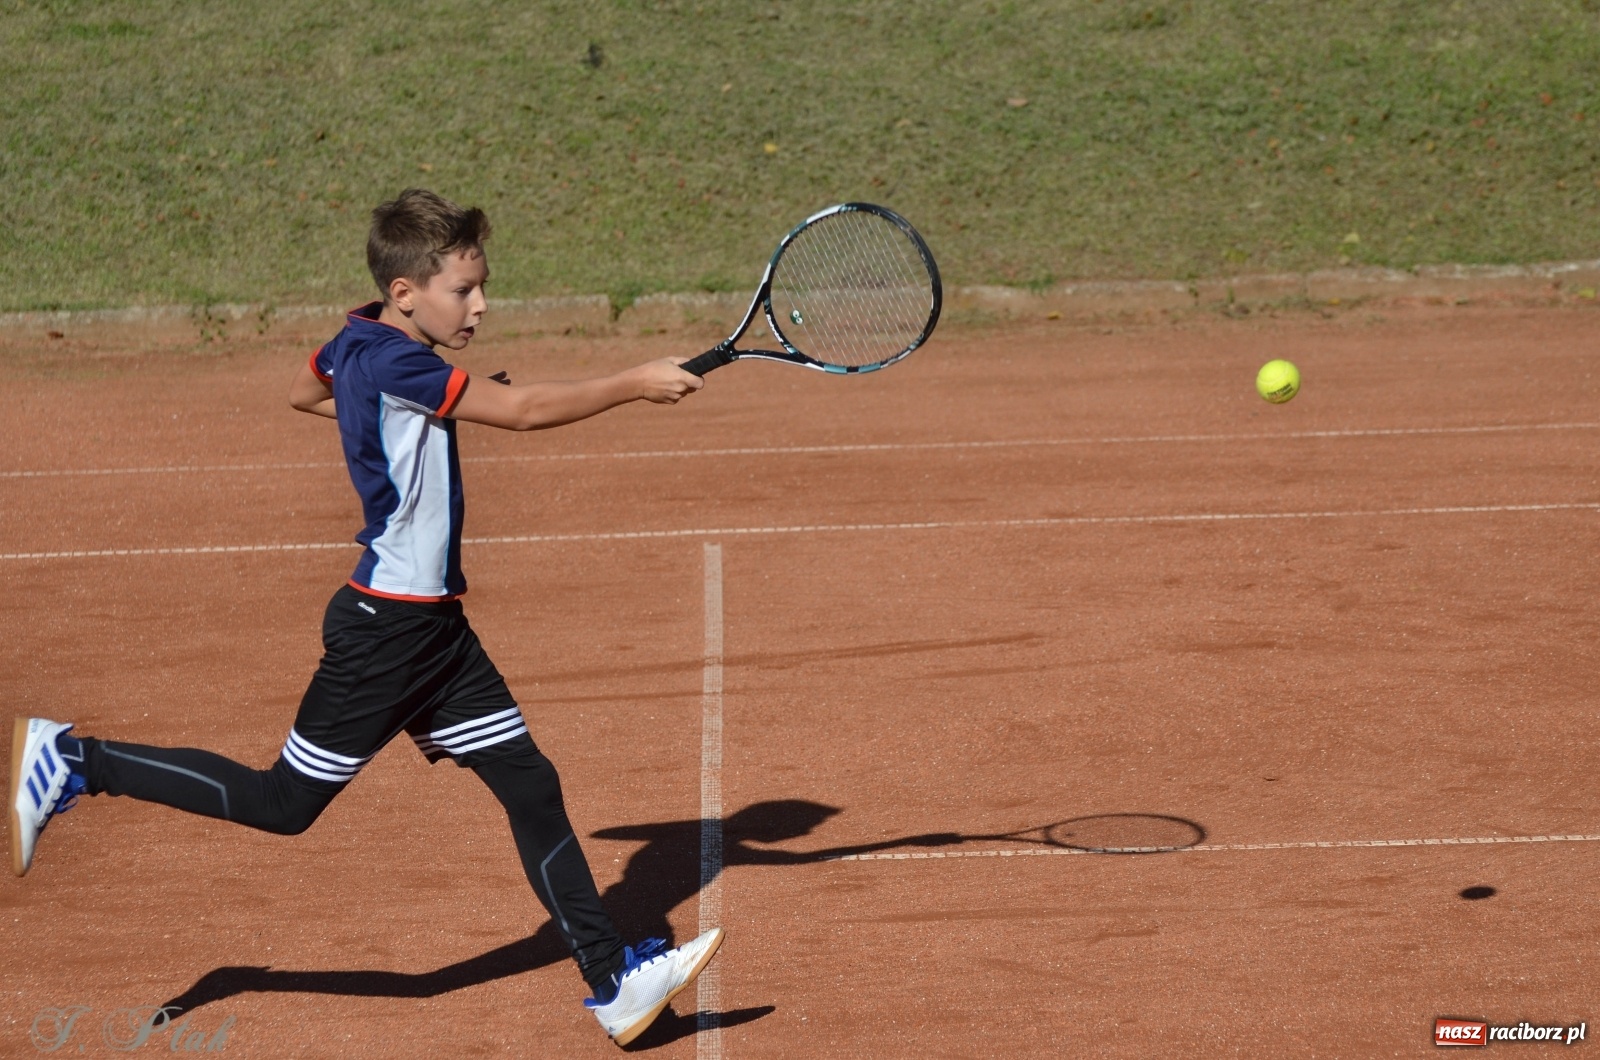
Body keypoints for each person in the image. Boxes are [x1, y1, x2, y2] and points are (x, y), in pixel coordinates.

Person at [8, 188, 720, 1047]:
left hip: (436, 635)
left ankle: (612, 982)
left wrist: (406, 415)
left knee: (529, 781)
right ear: (408, 291)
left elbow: (310, 389)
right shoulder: (400, 365)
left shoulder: (361, 343)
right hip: (386, 631)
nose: (483, 304)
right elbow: (526, 412)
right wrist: (636, 382)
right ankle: (75, 760)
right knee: (283, 803)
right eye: (465, 289)